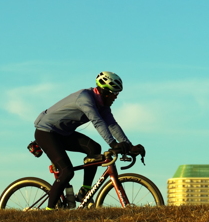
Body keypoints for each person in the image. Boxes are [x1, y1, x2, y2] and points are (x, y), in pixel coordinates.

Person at [33, 71, 142, 210]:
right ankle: (48, 211)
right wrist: (113, 144)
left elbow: (112, 125)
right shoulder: (85, 98)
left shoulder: (103, 105)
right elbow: (97, 121)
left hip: (63, 133)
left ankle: (85, 191)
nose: (116, 96)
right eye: (114, 93)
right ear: (104, 91)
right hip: (46, 132)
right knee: (67, 172)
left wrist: (129, 145)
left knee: (94, 149)